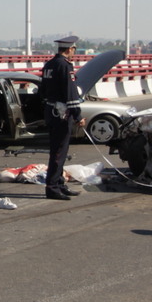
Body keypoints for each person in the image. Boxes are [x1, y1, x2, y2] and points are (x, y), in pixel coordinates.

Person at [41, 35, 84, 199]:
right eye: (74, 50)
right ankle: (52, 187)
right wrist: (78, 116)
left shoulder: (49, 64)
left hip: (51, 112)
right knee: (59, 153)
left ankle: (59, 183)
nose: (74, 53)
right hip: (61, 115)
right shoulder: (65, 66)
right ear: (70, 49)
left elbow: (43, 91)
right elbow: (71, 93)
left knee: (58, 151)